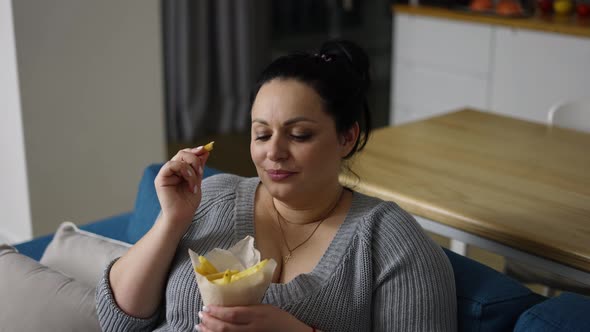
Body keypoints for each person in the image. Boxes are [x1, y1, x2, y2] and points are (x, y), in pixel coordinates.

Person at [96, 40, 457, 332]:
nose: (274, 152)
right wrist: (171, 221)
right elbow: (118, 320)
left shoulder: (390, 242)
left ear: (347, 137)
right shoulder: (213, 198)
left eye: (299, 134)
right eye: (262, 134)